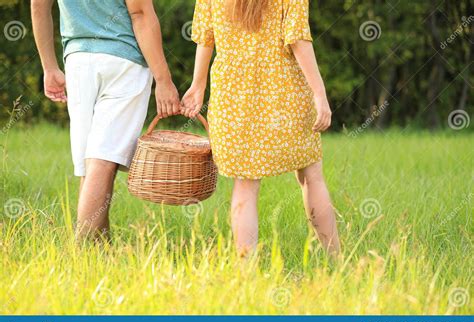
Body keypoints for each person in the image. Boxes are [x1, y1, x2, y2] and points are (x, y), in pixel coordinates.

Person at [181, 0, 341, 257]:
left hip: (233, 98)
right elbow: (298, 39)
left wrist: (198, 85)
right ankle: (336, 260)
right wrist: (319, 93)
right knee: (311, 176)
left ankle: (246, 276)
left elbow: (205, 37)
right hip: (284, 95)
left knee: (244, 186)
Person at [31, 0, 180, 240]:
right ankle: (83, 255)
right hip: (123, 61)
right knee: (102, 163)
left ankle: (100, 252)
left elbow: (38, 5)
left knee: (91, 167)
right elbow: (140, 13)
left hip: (78, 60)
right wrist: (163, 80)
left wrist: (49, 67)